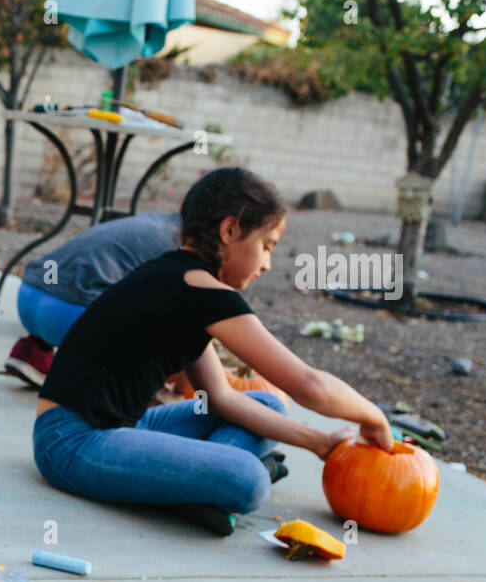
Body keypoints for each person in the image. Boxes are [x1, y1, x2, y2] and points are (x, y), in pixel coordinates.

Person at [32, 167, 394, 536]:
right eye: (266, 246)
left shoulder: (180, 279)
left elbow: (218, 398)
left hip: (126, 425)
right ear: (230, 230)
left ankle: (196, 490)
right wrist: (374, 416)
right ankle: (201, 490)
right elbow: (308, 386)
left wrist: (320, 443)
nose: (267, 264)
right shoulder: (203, 292)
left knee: (267, 405)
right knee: (248, 479)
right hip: (72, 442)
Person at [5, 211, 182, 387]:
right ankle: (93, 373)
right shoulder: (180, 245)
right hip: (67, 315)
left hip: (29, 293)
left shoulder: (151, 221)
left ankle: (32, 352)